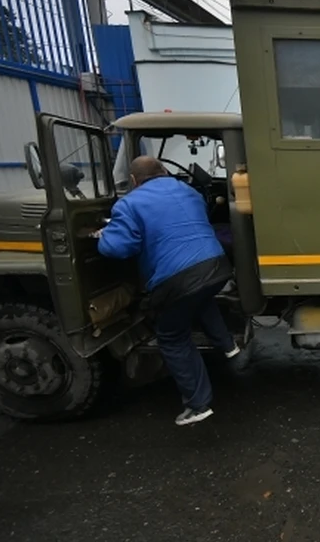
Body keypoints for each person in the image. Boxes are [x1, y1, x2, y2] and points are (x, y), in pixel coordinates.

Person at [94, 155, 245, 426]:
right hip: (216, 265)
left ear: (133, 180)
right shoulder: (189, 191)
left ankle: (198, 404)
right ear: (164, 171)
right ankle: (227, 344)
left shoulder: (128, 203)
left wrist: (104, 236)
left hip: (177, 278)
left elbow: (117, 249)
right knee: (199, 297)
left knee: (172, 336)